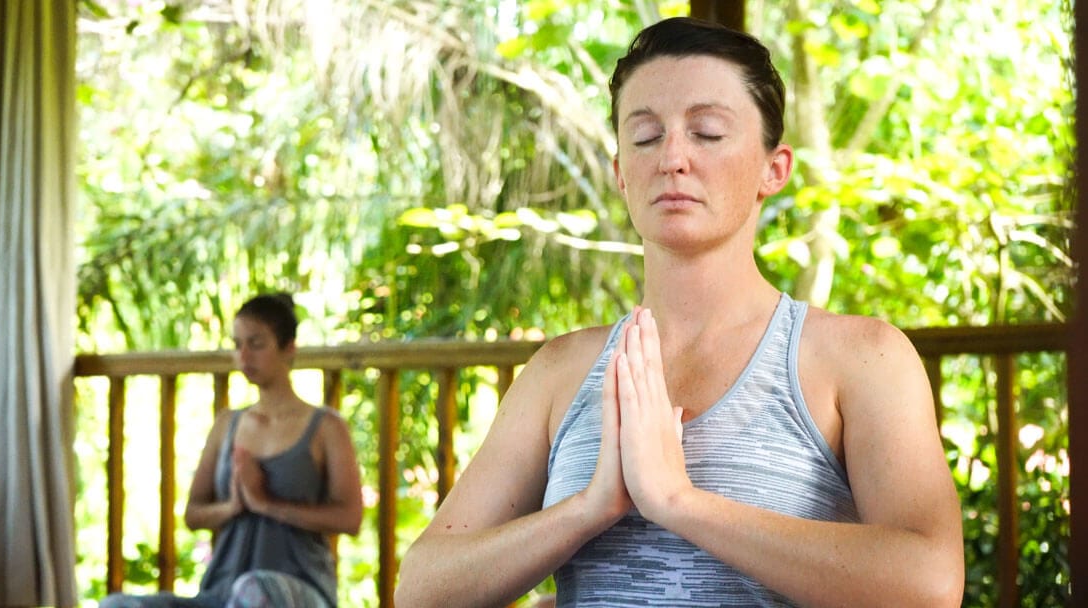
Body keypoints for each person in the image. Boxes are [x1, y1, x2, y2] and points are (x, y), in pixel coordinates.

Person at [394, 17, 964, 607]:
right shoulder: (559, 371)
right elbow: (422, 589)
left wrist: (678, 501)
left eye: (708, 132)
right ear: (620, 174)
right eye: (644, 137)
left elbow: (930, 584)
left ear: (776, 168)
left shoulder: (861, 357)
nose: (672, 158)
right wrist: (588, 509)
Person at [101, 293, 363, 608]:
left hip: (300, 591)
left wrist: (266, 504)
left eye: (256, 343)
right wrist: (234, 506)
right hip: (221, 594)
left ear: (289, 347)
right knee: (117, 605)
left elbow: (350, 518)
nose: (244, 355)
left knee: (253, 590)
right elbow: (194, 513)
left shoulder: (326, 427)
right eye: (237, 344)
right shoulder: (227, 424)